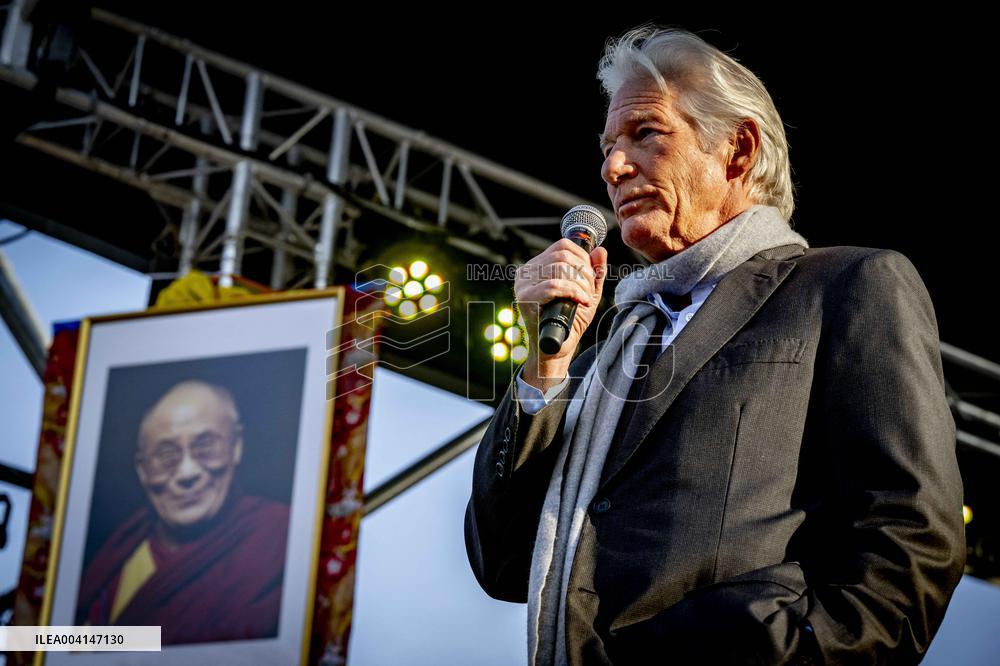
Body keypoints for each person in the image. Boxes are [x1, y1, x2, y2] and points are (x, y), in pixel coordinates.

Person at [464, 26, 965, 665]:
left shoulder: (843, 286)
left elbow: (913, 533)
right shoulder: (600, 355)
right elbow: (502, 563)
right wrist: (546, 364)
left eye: (646, 133)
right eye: (608, 146)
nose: (612, 168)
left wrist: (792, 651)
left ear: (737, 149)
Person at [77, 380, 289, 645]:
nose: (187, 473)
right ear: (142, 470)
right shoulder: (115, 553)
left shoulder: (281, 537)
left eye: (206, 447)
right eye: (166, 456)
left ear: (236, 447)